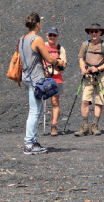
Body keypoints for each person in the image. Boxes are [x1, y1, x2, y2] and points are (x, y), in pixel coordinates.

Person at [19, 12, 65, 155]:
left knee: (36, 110)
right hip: (35, 79)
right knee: (35, 111)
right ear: (38, 24)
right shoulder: (37, 39)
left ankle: (32, 141)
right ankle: (29, 144)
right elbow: (49, 59)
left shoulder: (21, 39)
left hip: (26, 78)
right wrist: (59, 62)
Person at [75, 23, 104, 136]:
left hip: (101, 75)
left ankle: (95, 126)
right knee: (85, 100)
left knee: (99, 101)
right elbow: (81, 59)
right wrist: (83, 68)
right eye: (92, 31)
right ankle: (85, 126)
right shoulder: (85, 44)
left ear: (101, 32)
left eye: (96, 31)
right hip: (88, 75)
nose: (94, 33)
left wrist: (98, 68)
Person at [42, 27, 67, 137]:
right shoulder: (42, 47)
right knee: (40, 103)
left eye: (54, 35)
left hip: (56, 78)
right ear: (47, 35)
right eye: (50, 35)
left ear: (57, 36)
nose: (52, 37)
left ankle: (54, 125)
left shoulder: (60, 48)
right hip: (43, 78)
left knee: (55, 102)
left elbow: (63, 64)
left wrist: (51, 64)